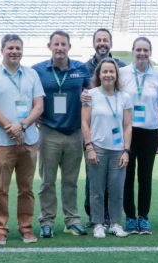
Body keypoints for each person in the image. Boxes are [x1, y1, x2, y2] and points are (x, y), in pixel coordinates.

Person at [0, 34, 44, 245]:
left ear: (22, 51)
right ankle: (1, 229)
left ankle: (26, 228)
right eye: (10, 48)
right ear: (2, 50)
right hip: (1, 142)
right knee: (1, 189)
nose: (14, 51)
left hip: (29, 139)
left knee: (26, 188)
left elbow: (39, 106)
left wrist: (22, 126)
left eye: (17, 48)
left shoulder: (32, 75)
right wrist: (11, 128)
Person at [32, 31, 90, 238]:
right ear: (49, 46)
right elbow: (27, 94)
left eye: (63, 44)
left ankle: (72, 220)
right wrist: (33, 114)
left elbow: (92, 94)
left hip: (75, 133)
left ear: (69, 47)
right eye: (56, 44)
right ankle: (46, 221)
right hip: (49, 132)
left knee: (70, 181)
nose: (59, 48)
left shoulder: (81, 69)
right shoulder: (38, 70)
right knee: (47, 180)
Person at [119, 37, 158, 235]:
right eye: (138, 50)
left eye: (146, 50)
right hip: (128, 132)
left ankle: (143, 217)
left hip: (150, 132)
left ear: (150, 52)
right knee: (127, 176)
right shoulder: (121, 74)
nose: (142, 54)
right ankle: (130, 217)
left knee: (145, 176)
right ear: (132, 51)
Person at [81, 58, 132, 238]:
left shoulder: (125, 97)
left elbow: (127, 126)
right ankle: (98, 224)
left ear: (116, 74)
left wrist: (126, 150)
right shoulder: (90, 94)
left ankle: (115, 223)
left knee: (117, 189)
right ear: (99, 74)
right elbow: (85, 123)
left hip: (118, 149)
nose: (108, 75)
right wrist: (90, 148)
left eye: (112, 71)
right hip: (98, 147)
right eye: (105, 71)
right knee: (97, 189)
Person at [83, 27, 115, 227]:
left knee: (113, 175)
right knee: (92, 175)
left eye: (105, 40)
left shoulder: (119, 66)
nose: (102, 43)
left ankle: (111, 215)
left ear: (110, 43)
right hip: (91, 130)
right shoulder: (83, 68)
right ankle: (93, 215)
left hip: (113, 131)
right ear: (94, 43)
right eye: (98, 40)